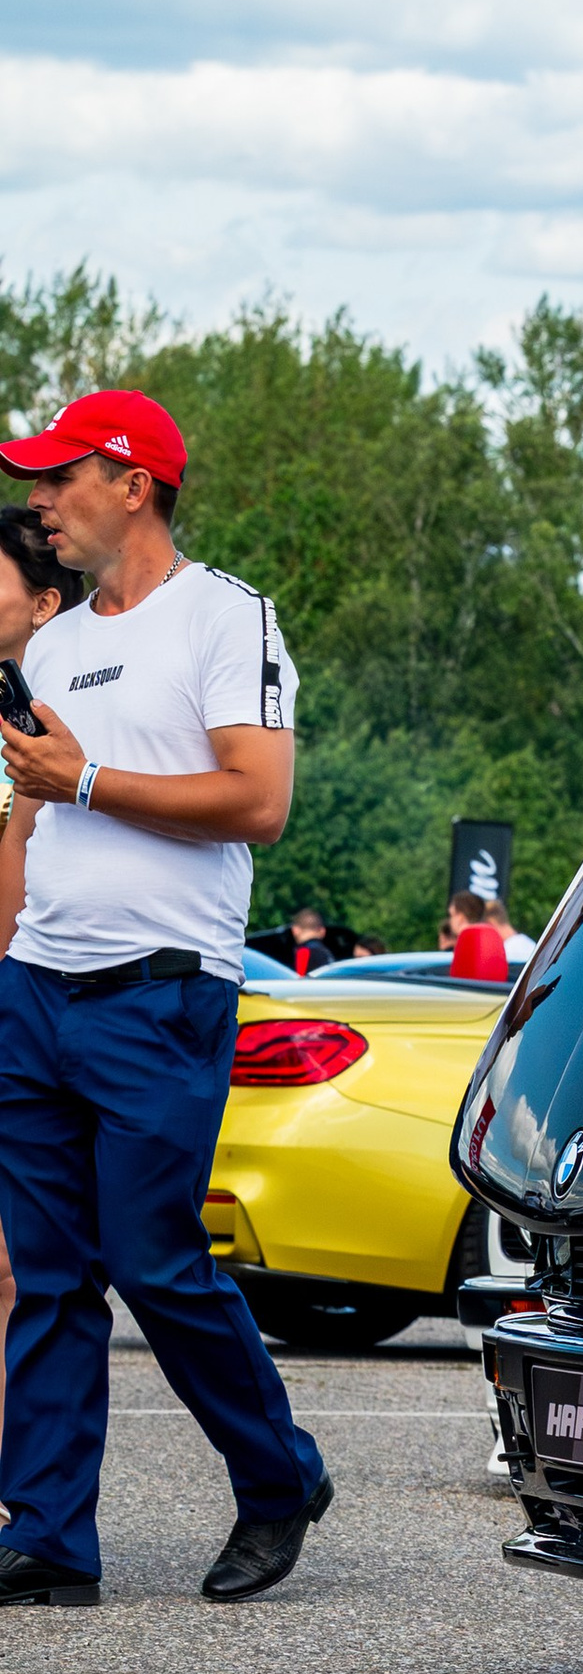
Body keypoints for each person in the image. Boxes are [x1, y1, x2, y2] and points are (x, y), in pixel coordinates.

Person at [0, 390, 331, 1608]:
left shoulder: (225, 615)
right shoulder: (50, 641)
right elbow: (33, 814)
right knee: (47, 1271)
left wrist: (82, 774)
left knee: (156, 1259)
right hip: (37, 985)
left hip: (158, 992)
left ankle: (276, 1478)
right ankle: (47, 1535)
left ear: (134, 481)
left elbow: (258, 802)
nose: (39, 500)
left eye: (57, 477)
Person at [0, 507, 80, 1466]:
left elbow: (19, 858)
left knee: (18, 1265)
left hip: (26, 991)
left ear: (44, 605)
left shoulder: (45, 730)